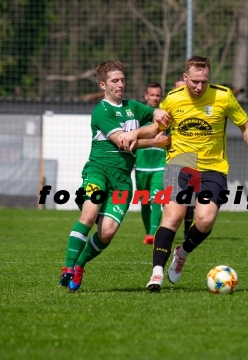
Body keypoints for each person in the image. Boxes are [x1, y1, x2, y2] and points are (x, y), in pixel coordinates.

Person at [146, 56, 248, 292]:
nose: (199, 86)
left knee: (205, 220)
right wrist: (146, 123)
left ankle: (181, 253)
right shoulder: (172, 99)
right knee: (172, 217)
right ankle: (156, 274)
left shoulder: (223, 96)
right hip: (180, 162)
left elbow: (246, 125)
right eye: (194, 81)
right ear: (185, 78)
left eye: (203, 81)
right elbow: (157, 128)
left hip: (213, 166)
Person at [59, 60, 170, 292]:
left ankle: (80, 265)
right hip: (97, 172)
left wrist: (158, 112)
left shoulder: (133, 107)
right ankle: (68, 267)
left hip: (122, 180)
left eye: (122, 80)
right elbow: (123, 141)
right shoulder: (101, 110)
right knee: (89, 214)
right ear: (103, 85)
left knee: (107, 232)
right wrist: (154, 141)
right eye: (114, 81)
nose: (120, 84)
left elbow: (154, 117)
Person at [135, 82, 165, 245]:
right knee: (144, 201)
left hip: (160, 165)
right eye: (152, 95)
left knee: (157, 199)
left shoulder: (166, 115)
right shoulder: (138, 115)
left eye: (157, 95)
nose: (154, 98)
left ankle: (153, 234)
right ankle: (148, 232)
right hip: (140, 166)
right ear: (146, 96)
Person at [172, 76, 194, 240]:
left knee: (190, 201)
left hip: (193, 159)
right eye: (178, 87)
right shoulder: (168, 108)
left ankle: (187, 231)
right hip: (172, 161)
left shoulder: (193, 108)